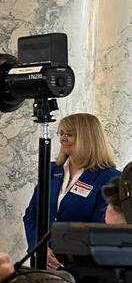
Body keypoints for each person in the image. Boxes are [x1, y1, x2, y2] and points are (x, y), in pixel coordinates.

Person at [22, 113, 120, 269]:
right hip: (42, 263)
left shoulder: (110, 177)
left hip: (80, 270)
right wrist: (39, 248)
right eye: (61, 133)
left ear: (88, 138)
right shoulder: (52, 170)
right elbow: (32, 215)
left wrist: (64, 262)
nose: (62, 138)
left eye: (69, 134)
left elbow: (99, 230)